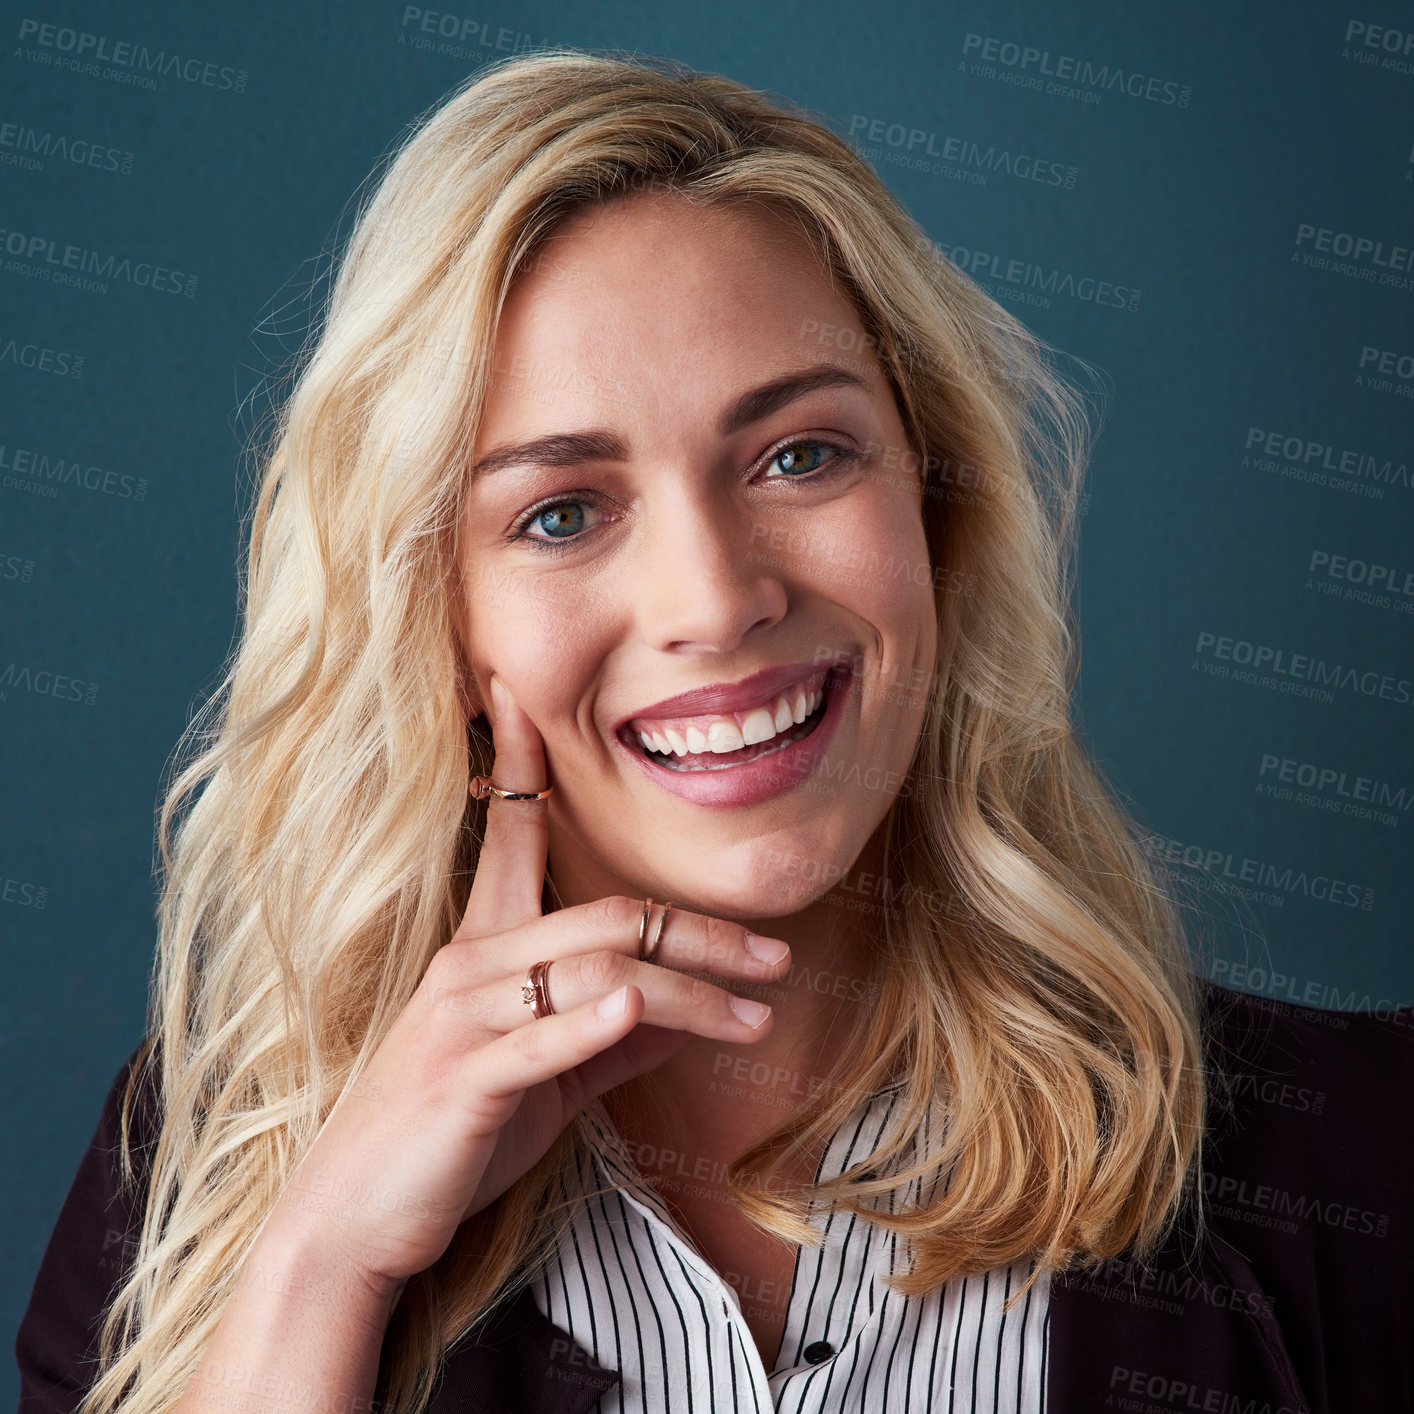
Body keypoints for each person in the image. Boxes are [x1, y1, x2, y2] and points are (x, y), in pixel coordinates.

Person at [14, 47, 1414, 1414]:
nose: (716, 599)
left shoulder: (1361, 1167)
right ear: (434, 631)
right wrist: (320, 1269)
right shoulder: (201, 1191)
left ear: (936, 513)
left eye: (798, 454)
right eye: (560, 512)